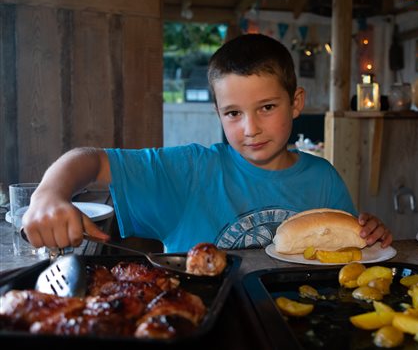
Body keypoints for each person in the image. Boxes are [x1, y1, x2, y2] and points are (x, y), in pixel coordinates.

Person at [22, 33, 392, 253]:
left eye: (266, 107)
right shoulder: (190, 171)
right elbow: (90, 160)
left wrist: (370, 235)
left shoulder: (323, 178)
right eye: (233, 113)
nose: (250, 128)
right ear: (217, 113)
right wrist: (47, 195)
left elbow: (349, 255)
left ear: (296, 102)